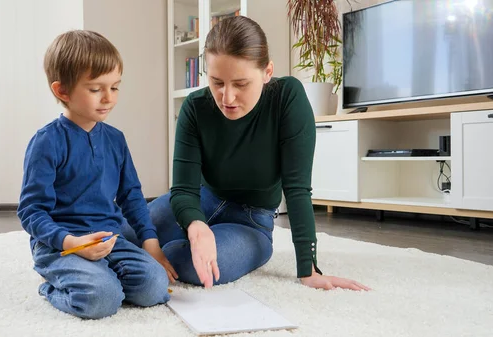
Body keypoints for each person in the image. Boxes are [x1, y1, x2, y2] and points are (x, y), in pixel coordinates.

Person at [148, 16, 369, 291]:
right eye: (217, 82)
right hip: (202, 199)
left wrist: (308, 268)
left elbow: (297, 189)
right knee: (127, 233)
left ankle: (146, 258)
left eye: (240, 84)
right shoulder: (195, 107)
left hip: (251, 222)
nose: (227, 98)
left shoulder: (287, 98)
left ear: (267, 72)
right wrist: (196, 226)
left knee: (183, 263)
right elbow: (183, 189)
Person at [17, 30, 178, 320]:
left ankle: (101, 275)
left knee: (155, 287)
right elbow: (31, 212)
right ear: (62, 91)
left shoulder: (115, 139)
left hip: (108, 237)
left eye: (115, 87)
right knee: (102, 300)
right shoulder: (46, 142)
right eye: (96, 89)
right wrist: (71, 243)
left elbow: (131, 196)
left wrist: (151, 244)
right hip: (61, 245)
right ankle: (51, 288)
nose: (109, 98)